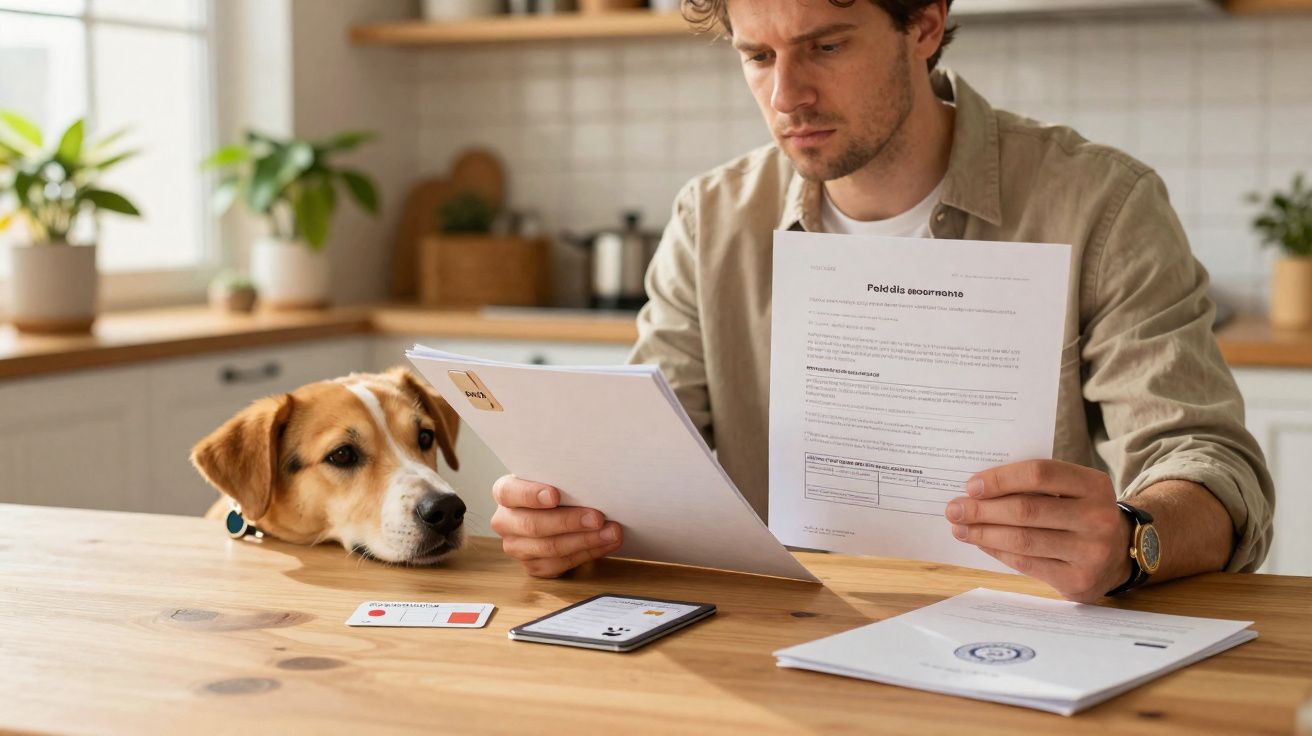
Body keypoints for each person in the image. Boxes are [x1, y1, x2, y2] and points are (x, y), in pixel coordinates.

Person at [489, 0, 1275, 602]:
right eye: (757, 56)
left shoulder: (1101, 204)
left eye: (825, 46)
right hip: (790, 632)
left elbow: (1213, 469)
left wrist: (1135, 539)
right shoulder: (713, 218)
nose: (786, 94)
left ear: (926, 23)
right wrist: (568, 517)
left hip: (1024, 635)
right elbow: (646, 460)